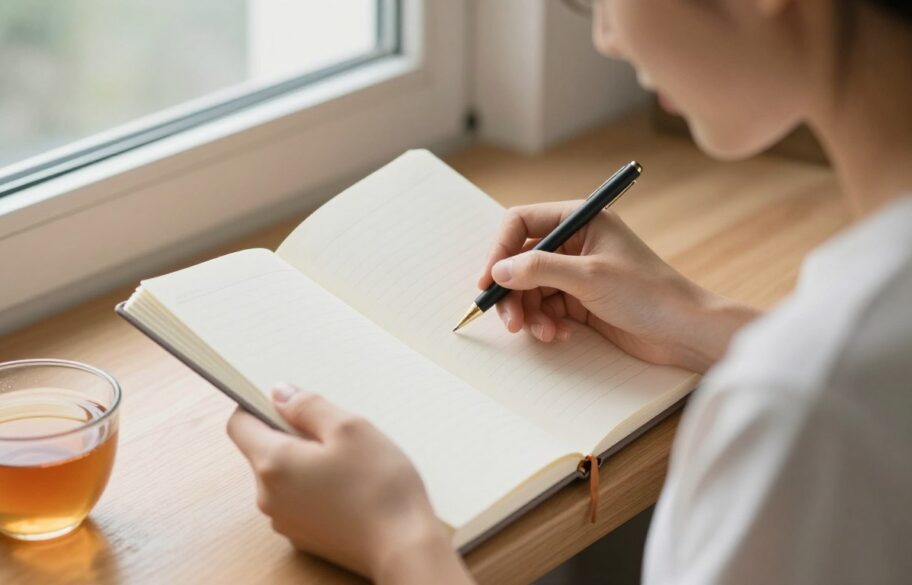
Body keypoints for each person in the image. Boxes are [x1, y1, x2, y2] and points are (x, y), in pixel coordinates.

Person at [226, 0, 912, 582]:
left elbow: (835, 395)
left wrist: (401, 541)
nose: (605, 37)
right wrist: (697, 320)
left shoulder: (804, 420)